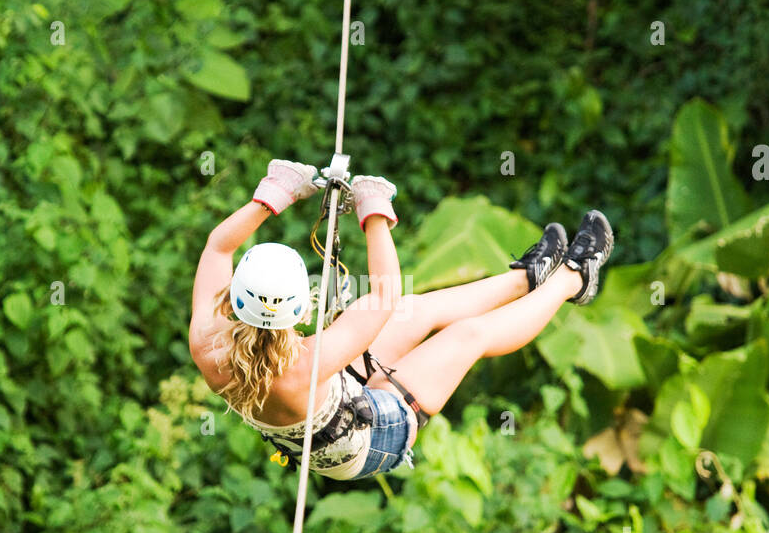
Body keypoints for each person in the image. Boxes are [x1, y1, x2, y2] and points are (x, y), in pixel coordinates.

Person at [188, 159, 614, 481]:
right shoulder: (306, 362)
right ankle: (573, 279)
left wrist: (273, 194)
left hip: (329, 401)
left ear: (235, 294)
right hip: (368, 442)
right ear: (300, 310)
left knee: (417, 311)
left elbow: (215, 250)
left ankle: (526, 279)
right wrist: (375, 214)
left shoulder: (208, 342)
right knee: (466, 337)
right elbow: (383, 295)